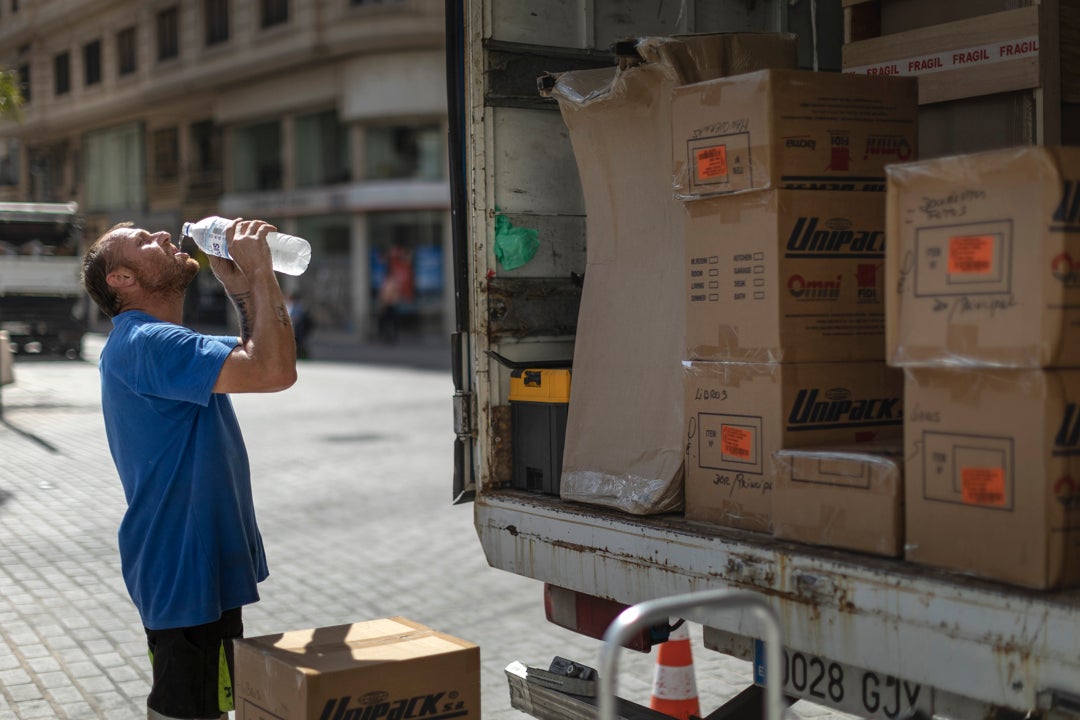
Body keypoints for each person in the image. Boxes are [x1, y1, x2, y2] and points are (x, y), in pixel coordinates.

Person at [80, 218, 297, 720]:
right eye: (142, 241)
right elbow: (274, 371)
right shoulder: (147, 342)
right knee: (186, 709)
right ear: (121, 279)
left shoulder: (161, 342)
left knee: (210, 704)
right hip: (181, 563)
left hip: (197, 559)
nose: (161, 236)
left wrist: (241, 287)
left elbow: (258, 355)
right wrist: (262, 274)